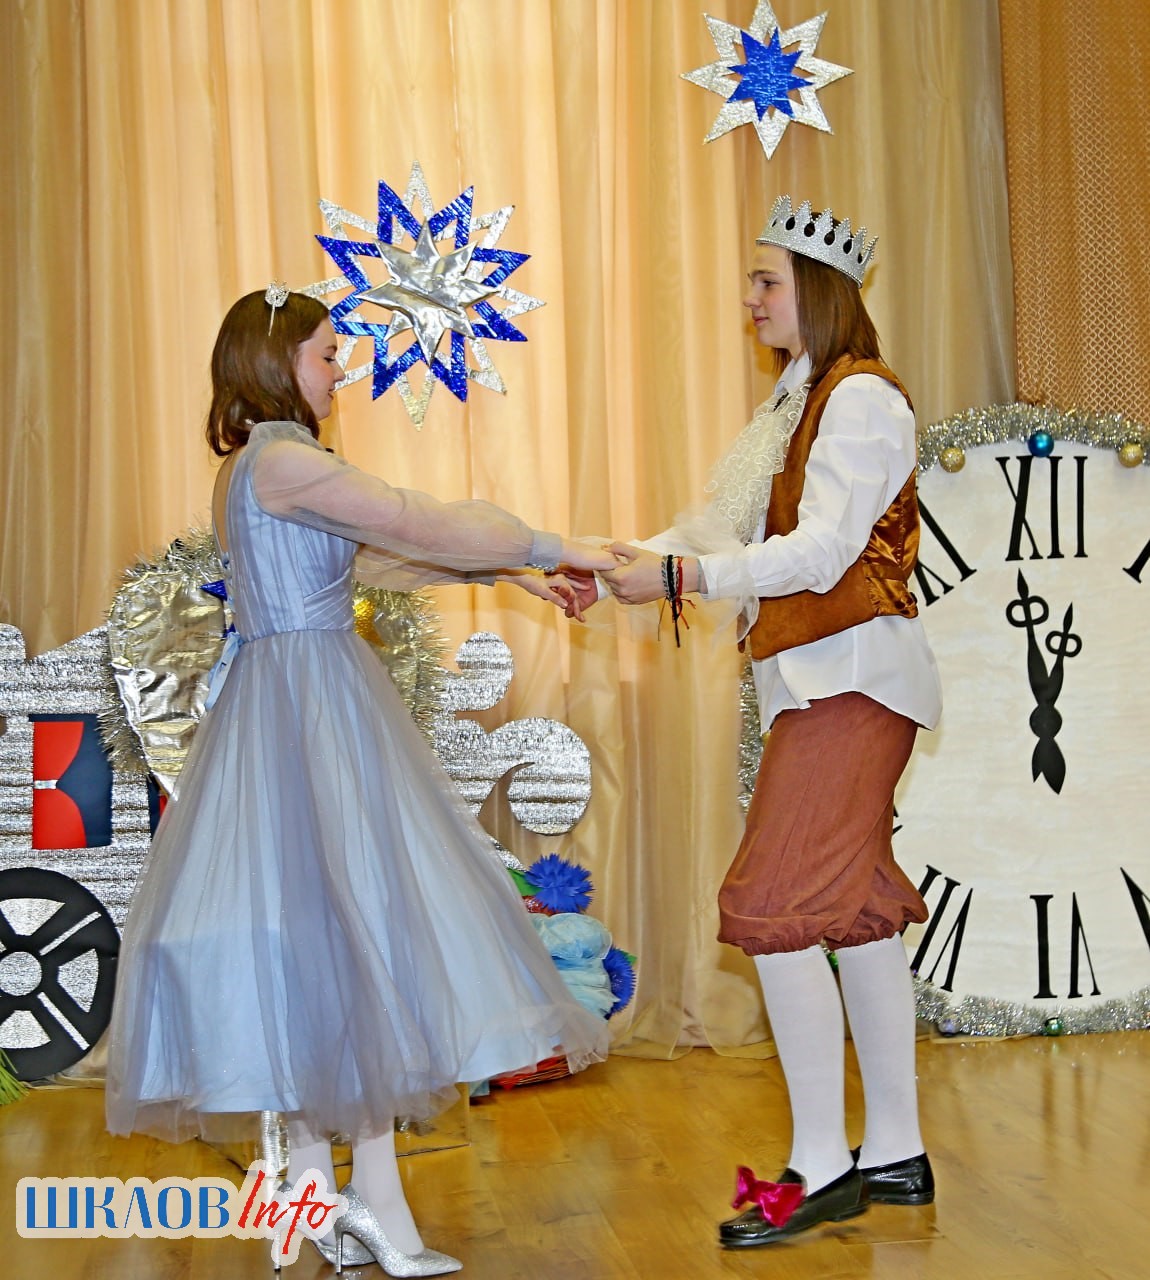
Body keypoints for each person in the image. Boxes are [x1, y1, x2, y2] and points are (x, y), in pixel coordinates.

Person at [105, 288, 614, 1276]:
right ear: (275, 361)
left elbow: (377, 556)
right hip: (312, 706)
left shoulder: (256, 466)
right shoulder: (286, 460)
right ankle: (369, 1198)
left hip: (289, 701)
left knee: (322, 942)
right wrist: (553, 546)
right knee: (357, 931)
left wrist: (510, 574)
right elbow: (410, 517)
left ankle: (322, 1196)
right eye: (326, 353)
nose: (339, 371)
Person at [599, 196, 943, 1248]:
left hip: (854, 684)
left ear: (818, 292)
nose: (748, 299)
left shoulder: (860, 399)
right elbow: (717, 528)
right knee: (854, 913)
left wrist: (680, 576)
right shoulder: (795, 402)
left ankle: (821, 1163)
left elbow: (823, 552)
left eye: (766, 282)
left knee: (771, 902)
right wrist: (612, 563)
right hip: (828, 685)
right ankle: (894, 1149)